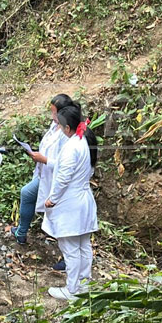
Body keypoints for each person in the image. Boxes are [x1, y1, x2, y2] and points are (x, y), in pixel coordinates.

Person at [10, 94, 75, 270]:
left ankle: (69, 259)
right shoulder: (55, 126)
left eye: (54, 113)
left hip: (58, 180)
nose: (52, 116)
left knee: (61, 218)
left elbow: (66, 164)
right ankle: (21, 232)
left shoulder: (68, 134)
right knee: (27, 193)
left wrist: (44, 160)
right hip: (46, 175)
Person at [42, 105, 99, 300]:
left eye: (60, 125)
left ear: (67, 128)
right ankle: (85, 285)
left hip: (70, 203)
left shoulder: (71, 147)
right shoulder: (85, 140)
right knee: (84, 245)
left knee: (70, 248)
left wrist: (52, 199)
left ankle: (72, 289)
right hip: (84, 199)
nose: (58, 128)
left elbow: (63, 178)